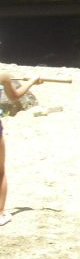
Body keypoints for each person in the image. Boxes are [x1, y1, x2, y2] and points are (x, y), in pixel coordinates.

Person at [0, 71, 43, 227]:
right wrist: (32, 80)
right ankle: (0, 213)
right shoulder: (2, 76)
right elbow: (15, 96)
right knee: (0, 171)